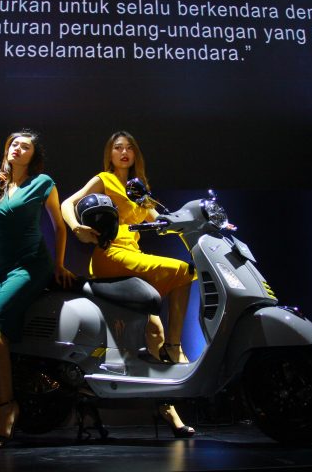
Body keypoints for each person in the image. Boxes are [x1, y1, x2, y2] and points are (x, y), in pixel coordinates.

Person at [61, 131, 196, 437]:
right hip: (110, 253)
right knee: (183, 270)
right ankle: (175, 347)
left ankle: (168, 410)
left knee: (154, 330)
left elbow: (161, 221)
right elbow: (69, 202)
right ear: (110, 155)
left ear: (135, 155)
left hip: (133, 257)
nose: (123, 152)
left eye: (129, 148)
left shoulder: (138, 190)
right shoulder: (104, 180)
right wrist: (77, 227)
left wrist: (195, 225)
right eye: (117, 148)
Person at [0, 130, 75, 450]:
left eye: (25, 146)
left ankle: (7, 407)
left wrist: (59, 265)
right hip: (4, 271)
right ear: (7, 149)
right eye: (14, 144)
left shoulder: (42, 183)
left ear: (33, 155)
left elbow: (59, 226)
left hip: (31, 266)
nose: (18, 149)